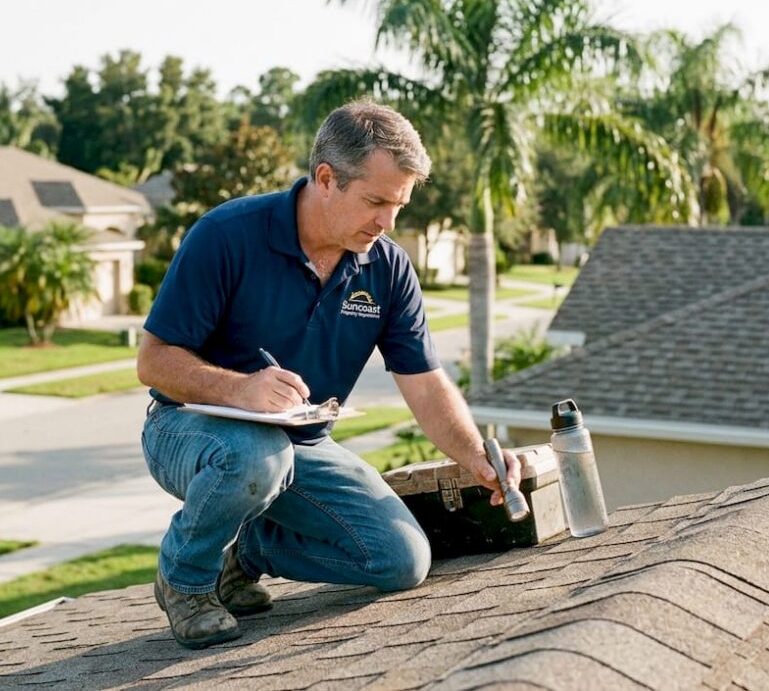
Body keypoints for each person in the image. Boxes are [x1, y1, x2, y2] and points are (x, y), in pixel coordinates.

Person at [136, 100, 522, 649]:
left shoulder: (386, 268)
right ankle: (185, 582)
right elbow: (152, 361)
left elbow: (426, 382)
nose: (388, 223)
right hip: (188, 428)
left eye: (399, 206)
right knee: (256, 456)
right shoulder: (226, 235)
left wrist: (477, 457)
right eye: (376, 202)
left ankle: (246, 553)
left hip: (302, 443)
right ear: (326, 179)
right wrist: (239, 389)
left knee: (400, 560)